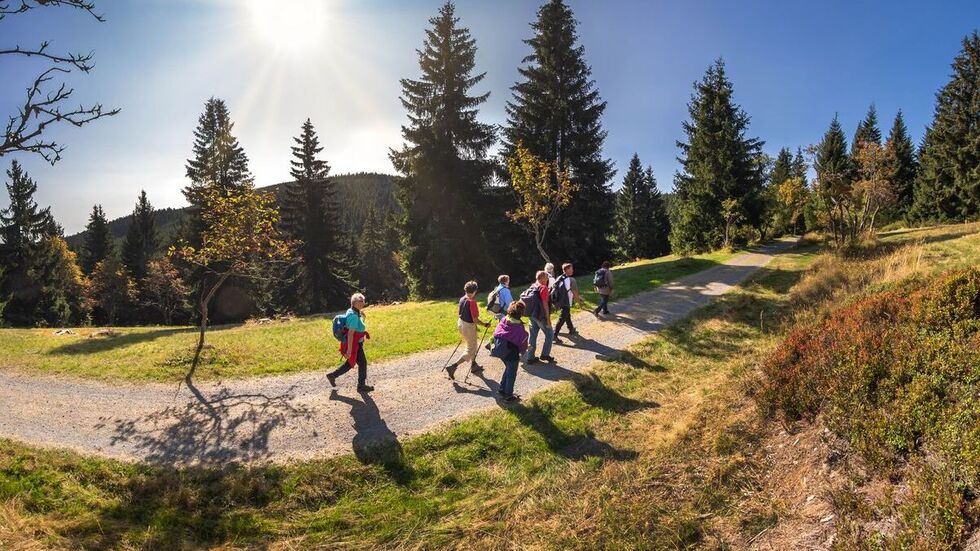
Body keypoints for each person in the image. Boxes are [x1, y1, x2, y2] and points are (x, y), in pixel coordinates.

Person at [327, 293, 373, 392]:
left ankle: (333, 375)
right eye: (361, 301)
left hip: (355, 343)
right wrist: (349, 350)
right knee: (362, 363)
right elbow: (351, 334)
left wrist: (361, 315)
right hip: (354, 344)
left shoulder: (352, 311)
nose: (363, 303)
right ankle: (361, 386)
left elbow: (357, 326)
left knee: (351, 363)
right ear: (355, 303)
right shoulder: (354, 316)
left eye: (363, 300)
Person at [447, 280, 492, 380]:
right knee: (471, 349)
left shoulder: (462, 299)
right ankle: (453, 367)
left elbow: (460, 313)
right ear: (475, 291)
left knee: (471, 345)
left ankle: (474, 364)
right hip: (468, 326)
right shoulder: (472, 302)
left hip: (461, 323)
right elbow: (475, 319)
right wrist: (485, 324)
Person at [491, 300, 529, 401]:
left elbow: (496, 332)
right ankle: (508, 396)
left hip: (499, 349)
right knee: (512, 374)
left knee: (508, 368)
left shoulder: (504, 319)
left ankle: (502, 389)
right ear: (522, 313)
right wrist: (525, 351)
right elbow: (523, 344)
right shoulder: (519, 328)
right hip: (511, 353)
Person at [524, 270, 555, 364]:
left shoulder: (533, 286)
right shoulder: (543, 288)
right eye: (546, 278)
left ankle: (530, 357)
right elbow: (545, 305)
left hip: (531, 315)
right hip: (540, 316)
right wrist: (548, 320)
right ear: (541, 278)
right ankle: (545, 355)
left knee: (532, 336)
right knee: (550, 334)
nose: (547, 279)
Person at [553, 262, 581, 344]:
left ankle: (571, 329)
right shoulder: (571, 280)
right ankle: (554, 335)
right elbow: (575, 292)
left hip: (559, 300)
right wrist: (579, 301)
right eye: (571, 268)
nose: (573, 270)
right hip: (566, 300)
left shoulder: (559, 277)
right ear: (567, 270)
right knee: (562, 318)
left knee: (567, 314)